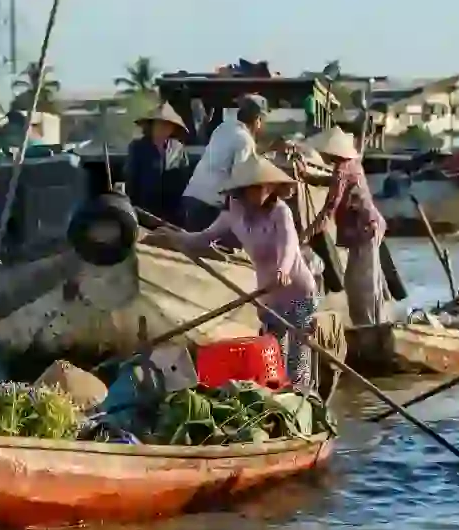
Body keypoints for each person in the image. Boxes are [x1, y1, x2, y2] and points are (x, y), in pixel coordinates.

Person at [158, 156, 319, 391]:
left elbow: (289, 246)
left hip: (297, 289)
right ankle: (278, 399)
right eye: (254, 188)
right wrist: (173, 237)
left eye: (264, 187)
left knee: (297, 354)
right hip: (268, 296)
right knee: (272, 353)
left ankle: (302, 398)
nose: (260, 192)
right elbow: (202, 238)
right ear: (242, 190)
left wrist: (283, 270)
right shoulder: (233, 214)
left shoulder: (280, 212)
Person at [301, 126, 389, 325]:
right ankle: (369, 323)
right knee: (359, 281)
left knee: (363, 284)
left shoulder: (342, 169)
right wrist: (309, 178)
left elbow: (329, 208)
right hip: (366, 229)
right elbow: (334, 182)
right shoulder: (351, 164)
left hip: (365, 230)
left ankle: (369, 326)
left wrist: (305, 234)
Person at [181, 93, 267, 232]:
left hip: (191, 197)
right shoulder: (245, 140)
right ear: (257, 119)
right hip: (209, 206)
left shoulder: (223, 128)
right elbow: (241, 179)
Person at [124, 102, 192, 226]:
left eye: (167, 125)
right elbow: (131, 177)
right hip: (145, 207)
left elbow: (184, 177)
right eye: (160, 124)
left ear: (172, 128)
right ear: (151, 126)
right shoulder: (138, 147)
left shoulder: (178, 148)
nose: (163, 128)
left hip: (172, 210)